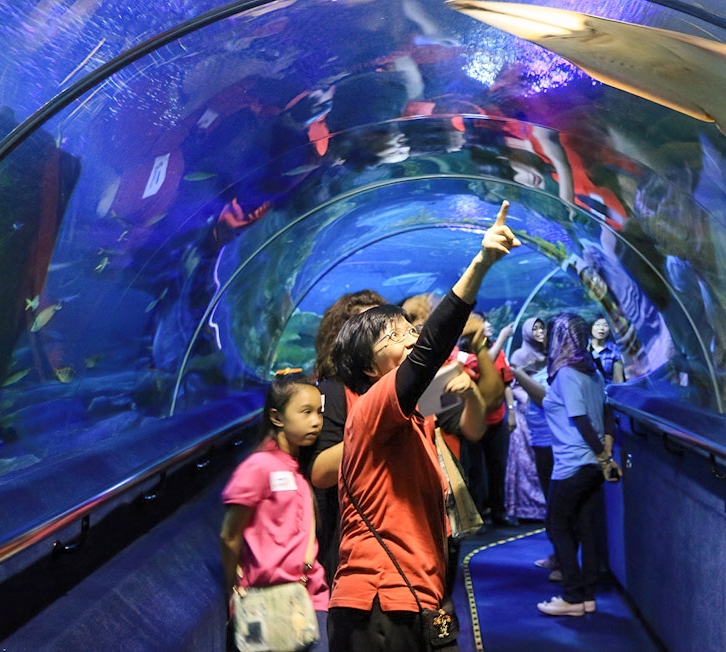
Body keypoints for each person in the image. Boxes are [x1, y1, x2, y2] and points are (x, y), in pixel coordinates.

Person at [327, 202, 518, 651]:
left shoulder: (413, 418)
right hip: (377, 601)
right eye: (395, 335)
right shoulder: (372, 409)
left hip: (417, 596)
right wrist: (480, 264)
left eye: (409, 329)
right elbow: (431, 349)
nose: (412, 337)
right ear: (370, 368)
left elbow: (477, 410)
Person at [220, 373, 330, 648]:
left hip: (310, 596)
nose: (316, 421)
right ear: (277, 417)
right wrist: (234, 588)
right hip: (269, 601)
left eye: (319, 412)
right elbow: (229, 535)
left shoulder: (295, 469)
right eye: (305, 412)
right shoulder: (259, 466)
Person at [300, 289, 387, 586]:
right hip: (347, 537)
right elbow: (320, 471)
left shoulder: (397, 390)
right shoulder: (331, 392)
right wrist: (376, 421)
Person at [537, 313, 620, 618]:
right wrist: (606, 446)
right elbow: (607, 409)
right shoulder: (593, 370)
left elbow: (580, 419)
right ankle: (587, 596)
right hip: (591, 465)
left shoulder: (567, 374)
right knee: (586, 528)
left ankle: (572, 596)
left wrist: (601, 454)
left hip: (573, 463)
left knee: (556, 525)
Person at [451, 311, 515, 527]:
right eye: (477, 323)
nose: (483, 325)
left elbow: (504, 381)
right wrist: (502, 338)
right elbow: (480, 366)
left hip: (497, 420)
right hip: (473, 422)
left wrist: (511, 411)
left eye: (483, 322)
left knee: (497, 466)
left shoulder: (494, 349)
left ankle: (499, 511)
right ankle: (477, 515)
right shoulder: (460, 354)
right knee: (475, 470)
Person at [505, 317, 549, 522]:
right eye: (535, 328)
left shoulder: (548, 352)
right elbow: (512, 385)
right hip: (526, 414)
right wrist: (521, 403)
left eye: (542, 327)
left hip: (546, 415)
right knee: (526, 464)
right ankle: (525, 508)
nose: (539, 331)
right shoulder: (519, 355)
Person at [589, 315, 626, 383]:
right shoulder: (583, 346)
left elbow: (618, 381)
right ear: (591, 327)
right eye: (597, 325)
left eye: (605, 325)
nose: (601, 328)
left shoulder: (614, 350)